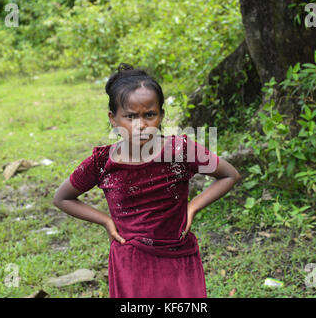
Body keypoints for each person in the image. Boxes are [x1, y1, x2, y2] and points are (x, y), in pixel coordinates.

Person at [53, 63, 240, 298]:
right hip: (131, 263)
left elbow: (229, 174)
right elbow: (62, 198)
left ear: (161, 115)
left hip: (177, 255)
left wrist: (192, 207)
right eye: (130, 116)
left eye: (149, 115)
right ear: (113, 118)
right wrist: (106, 222)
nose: (141, 125)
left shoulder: (180, 150)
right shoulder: (102, 162)